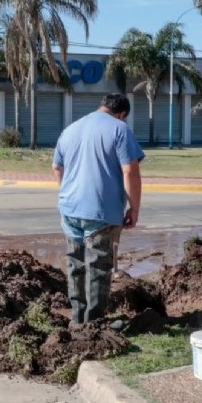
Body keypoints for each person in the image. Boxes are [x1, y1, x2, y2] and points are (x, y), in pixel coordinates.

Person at [52, 93, 144, 325]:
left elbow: (56, 167)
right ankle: (93, 323)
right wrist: (134, 208)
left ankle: (77, 319)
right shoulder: (119, 129)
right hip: (101, 211)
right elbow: (130, 171)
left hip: (70, 208)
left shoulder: (71, 129)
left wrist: (69, 192)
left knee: (76, 263)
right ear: (122, 114)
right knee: (99, 266)